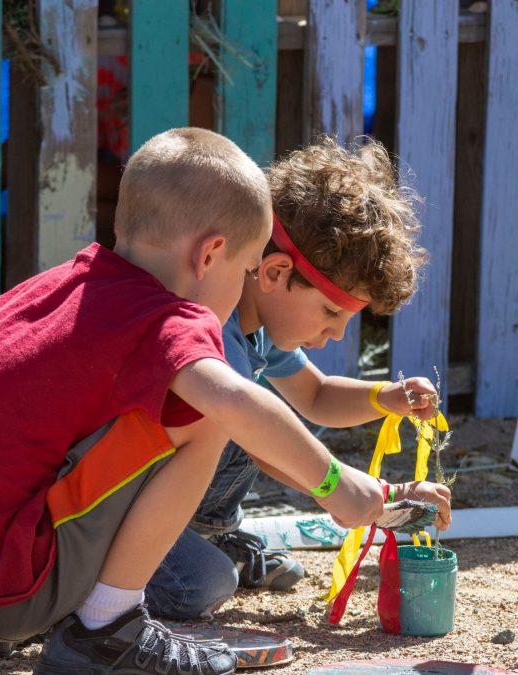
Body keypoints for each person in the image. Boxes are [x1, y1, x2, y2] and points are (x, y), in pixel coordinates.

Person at [0, 128, 447, 675]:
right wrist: (338, 488)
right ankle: (105, 629)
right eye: (246, 269)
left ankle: (10, 624)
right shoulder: (168, 323)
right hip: (4, 589)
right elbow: (241, 406)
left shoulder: (59, 288)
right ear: (210, 255)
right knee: (208, 415)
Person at [145, 137, 451, 619]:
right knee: (203, 585)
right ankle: (91, 585)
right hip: (129, 509)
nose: (335, 333)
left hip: (170, 498)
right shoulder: (215, 332)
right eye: (332, 311)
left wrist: (383, 396)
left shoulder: (259, 328)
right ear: (275, 272)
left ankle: (210, 532)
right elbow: (266, 449)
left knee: (274, 423)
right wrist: (369, 497)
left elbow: (317, 394)